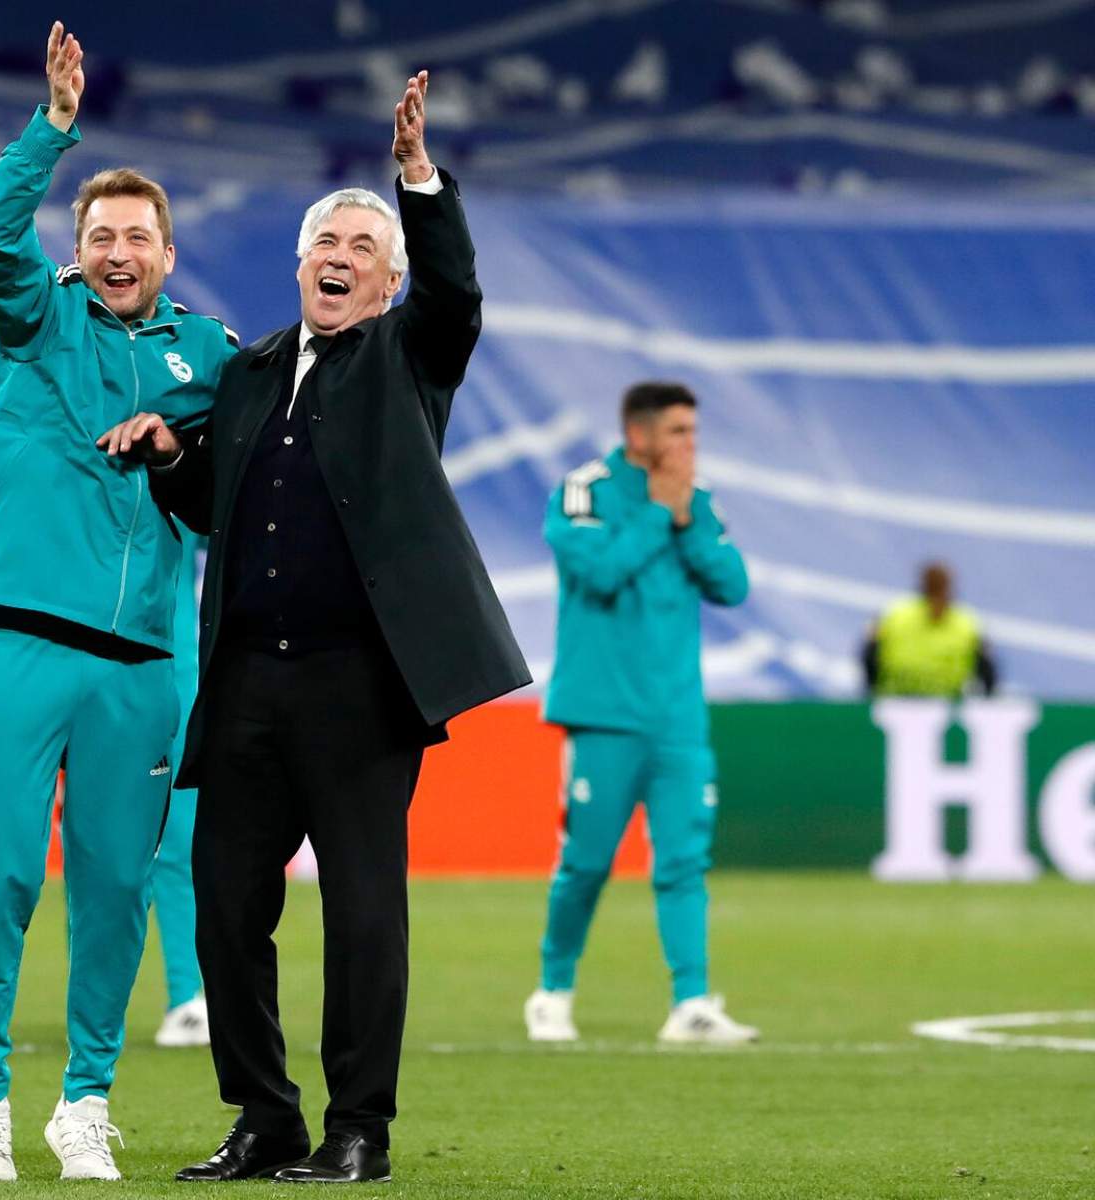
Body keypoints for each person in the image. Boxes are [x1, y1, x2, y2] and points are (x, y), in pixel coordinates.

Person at [99, 71, 530, 1184]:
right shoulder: (242, 375)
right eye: (323, 241)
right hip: (242, 679)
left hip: (358, 688)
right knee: (224, 911)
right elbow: (215, 512)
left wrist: (416, 183)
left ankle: (358, 1131)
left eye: (361, 246)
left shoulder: (409, 355)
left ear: (384, 282)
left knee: (361, 917)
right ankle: (263, 1119)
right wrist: (168, 459)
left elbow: (458, 294)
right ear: (298, 267)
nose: (337, 256)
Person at [0, 21, 239, 1184]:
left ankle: (82, 1101)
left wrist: (181, 447)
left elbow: (227, 501)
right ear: (78, 247)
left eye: (137, 235)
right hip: (23, 643)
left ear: (168, 252)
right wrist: (52, 131)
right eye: (100, 233)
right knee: (5, 875)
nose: (117, 249)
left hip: (144, 664)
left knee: (116, 886)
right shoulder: (35, 317)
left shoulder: (213, 356)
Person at [524, 381, 759, 1047]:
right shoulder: (584, 490)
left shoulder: (696, 499)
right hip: (603, 714)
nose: (691, 445)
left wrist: (685, 521)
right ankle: (553, 989)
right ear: (640, 434)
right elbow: (597, 572)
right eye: (679, 432)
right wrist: (659, 514)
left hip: (677, 717)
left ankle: (691, 1003)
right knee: (589, 861)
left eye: (693, 432)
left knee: (684, 860)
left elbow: (732, 585)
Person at [148, 529, 208, 1049]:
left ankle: (188, 996)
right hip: (97, 671)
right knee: (94, 846)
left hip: (179, 676)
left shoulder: (180, 467)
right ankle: (94, 1000)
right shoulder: (82, 470)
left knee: (182, 840)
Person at [862, 562, 997, 698]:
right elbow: (870, 655)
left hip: (944, 704)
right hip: (897, 700)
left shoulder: (967, 624)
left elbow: (986, 669)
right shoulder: (895, 615)